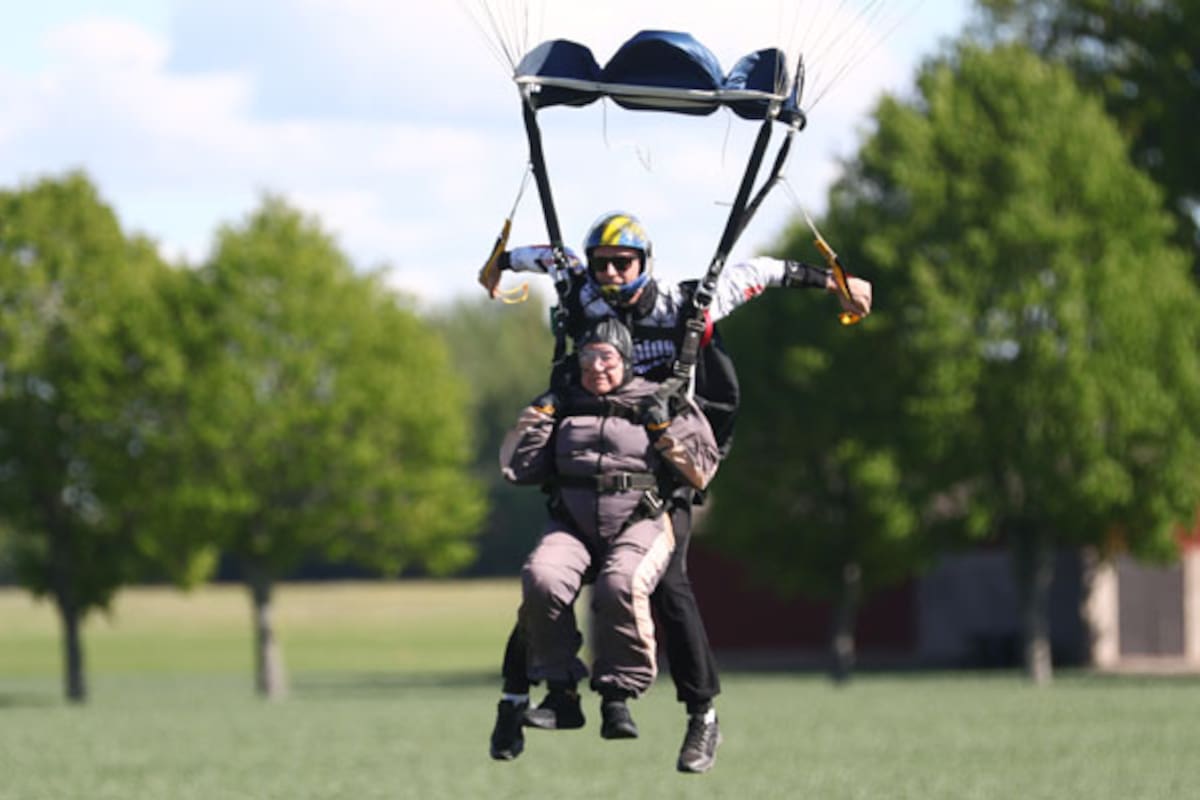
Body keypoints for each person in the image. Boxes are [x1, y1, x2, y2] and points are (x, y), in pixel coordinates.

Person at [485, 211, 872, 773]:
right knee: (547, 581)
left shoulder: (687, 302)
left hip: (664, 469)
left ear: (645, 263)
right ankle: (519, 697)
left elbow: (761, 272)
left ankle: (701, 717)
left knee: (668, 586)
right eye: (603, 265)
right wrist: (498, 265)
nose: (612, 274)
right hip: (589, 458)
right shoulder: (580, 287)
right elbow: (543, 256)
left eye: (624, 263)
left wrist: (835, 281)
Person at [492, 318, 719, 759]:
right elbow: (516, 468)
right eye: (588, 357)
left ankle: (618, 696)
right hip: (573, 523)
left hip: (639, 520)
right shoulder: (565, 402)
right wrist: (540, 415)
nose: (597, 366)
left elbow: (700, 470)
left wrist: (662, 431)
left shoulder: (659, 399)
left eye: (607, 358)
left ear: (627, 361)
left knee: (621, 584)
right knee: (541, 577)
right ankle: (561, 692)